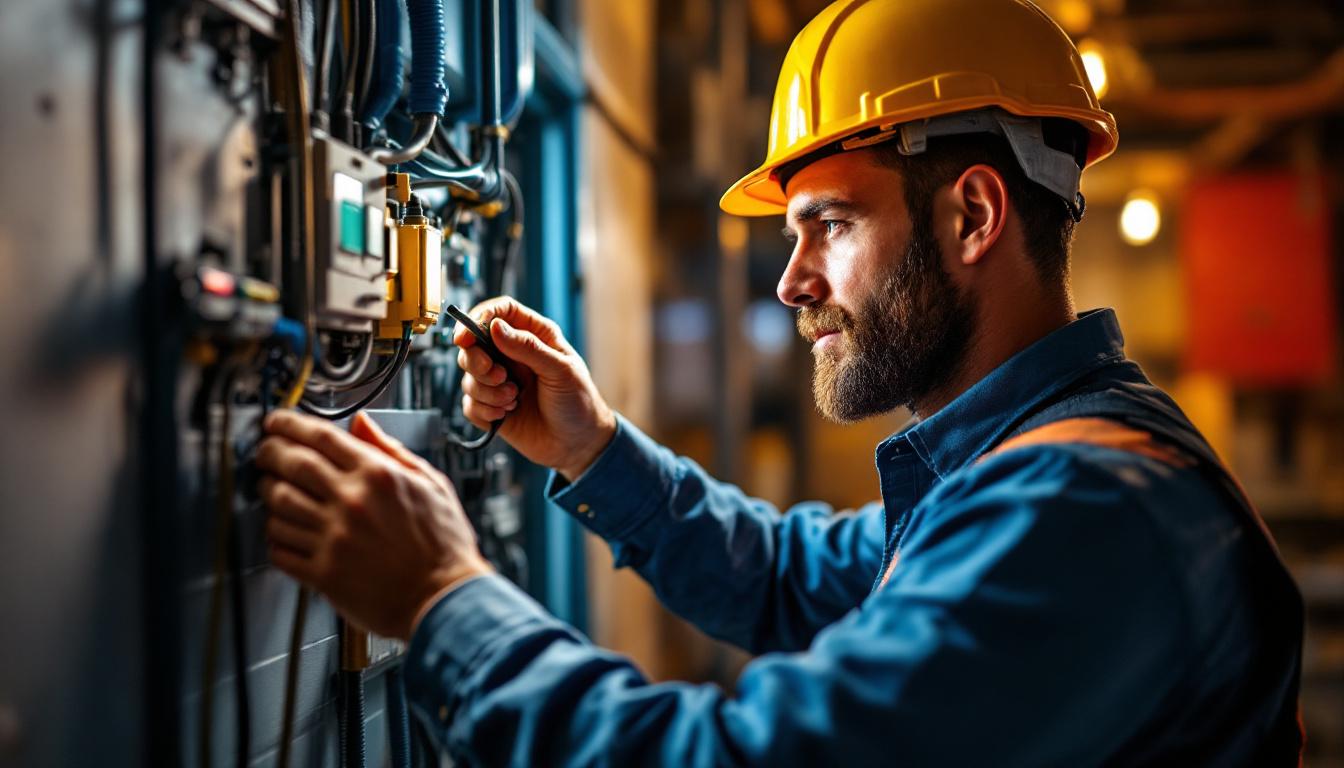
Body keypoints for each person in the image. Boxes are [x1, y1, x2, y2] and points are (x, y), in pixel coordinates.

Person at [256, 0, 1305, 763]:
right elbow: (787, 578)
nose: (795, 282)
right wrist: (594, 448)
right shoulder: (1017, 467)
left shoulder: (1084, 513)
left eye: (831, 226)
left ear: (974, 217)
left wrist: (442, 600)